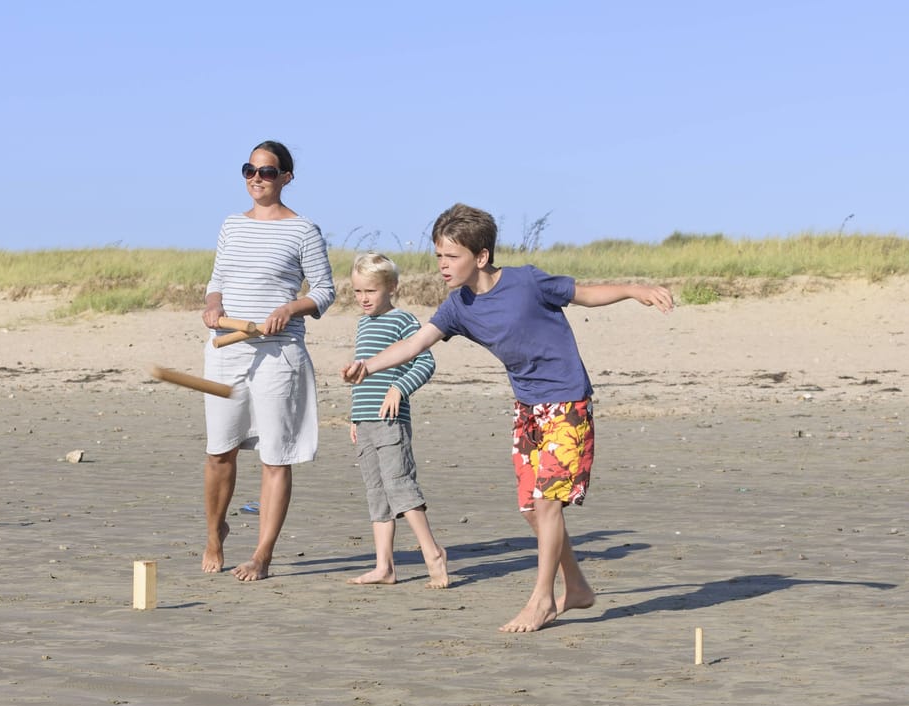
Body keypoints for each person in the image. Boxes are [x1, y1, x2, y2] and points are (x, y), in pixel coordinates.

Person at [342, 203, 675, 631]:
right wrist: (368, 367)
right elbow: (414, 345)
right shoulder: (457, 306)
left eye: (452, 256)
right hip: (527, 409)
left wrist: (633, 289)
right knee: (531, 511)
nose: (443, 265)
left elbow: (585, 293)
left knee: (547, 505)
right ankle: (575, 587)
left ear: (480, 257)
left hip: (566, 402)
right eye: (439, 256)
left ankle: (542, 600)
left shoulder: (527, 281)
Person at [200, 140, 335, 581]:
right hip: (226, 349)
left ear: (287, 178)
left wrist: (289, 309)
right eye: (250, 170)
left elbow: (324, 292)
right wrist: (212, 305)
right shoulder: (230, 225)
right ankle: (215, 536)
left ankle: (262, 554)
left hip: (280, 355)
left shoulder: (304, 230)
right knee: (220, 452)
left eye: (268, 172)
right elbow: (217, 280)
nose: (257, 178)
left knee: (276, 457)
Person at [346, 252, 448, 588]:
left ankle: (432, 552)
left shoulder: (403, 320)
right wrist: (354, 417)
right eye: (358, 291)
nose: (363, 298)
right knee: (377, 493)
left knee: (399, 485)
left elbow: (424, 363)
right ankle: (384, 566)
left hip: (391, 422)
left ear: (391, 287)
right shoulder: (363, 324)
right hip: (366, 421)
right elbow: (364, 375)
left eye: (370, 291)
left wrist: (399, 389)